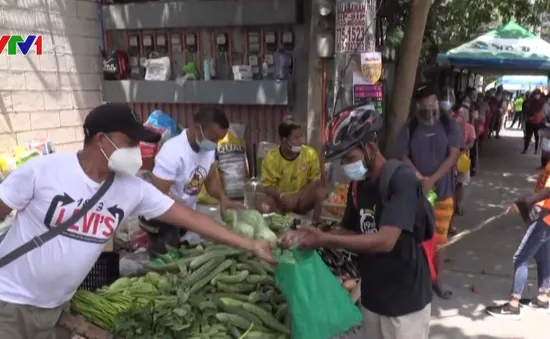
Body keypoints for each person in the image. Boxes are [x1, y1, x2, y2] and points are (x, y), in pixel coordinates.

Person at [0, 103, 275, 339]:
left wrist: (250, 244)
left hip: (56, 309)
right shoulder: (43, 171)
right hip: (9, 303)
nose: (136, 150)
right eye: (130, 142)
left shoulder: (131, 189)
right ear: (101, 139)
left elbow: (192, 218)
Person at [280, 105, 433, 339]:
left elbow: (385, 241)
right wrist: (312, 234)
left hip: (405, 302)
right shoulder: (358, 185)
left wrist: (325, 239)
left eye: (349, 157)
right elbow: (350, 231)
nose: (346, 166)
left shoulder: (401, 181)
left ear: (370, 148)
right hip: (372, 297)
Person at [397, 83, 463, 299]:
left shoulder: (450, 125)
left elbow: (453, 156)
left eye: (433, 104)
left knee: (440, 241)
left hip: (443, 193)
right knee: (417, 239)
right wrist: (418, 177)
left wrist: (432, 179)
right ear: (417, 106)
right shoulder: (409, 128)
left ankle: (438, 281)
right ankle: (418, 280)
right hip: (416, 193)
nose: (430, 109)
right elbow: (403, 156)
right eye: (425, 106)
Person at [149, 107, 243, 252]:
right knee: (169, 254)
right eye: (213, 139)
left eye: (219, 139)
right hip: (164, 217)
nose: (216, 144)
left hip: (187, 216)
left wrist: (222, 198)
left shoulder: (208, 149)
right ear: (198, 128)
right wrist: (188, 218)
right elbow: (159, 196)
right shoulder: (172, 152)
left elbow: (211, 180)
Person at [486, 160, 550, 319]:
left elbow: (548, 191)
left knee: (521, 257)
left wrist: (526, 203)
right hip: (545, 214)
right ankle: (543, 298)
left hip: (546, 217)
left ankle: (513, 305)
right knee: (544, 257)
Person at [259, 117, 326, 221]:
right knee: (265, 205)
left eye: (301, 136)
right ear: (284, 140)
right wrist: (282, 197)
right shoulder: (271, 157)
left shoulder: (310, 153)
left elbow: (315, 181)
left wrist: (296, 196)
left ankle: (316, 227)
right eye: (296, 138)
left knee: (321, 193)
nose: (301, 141)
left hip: (302, 200)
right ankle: (274, 228)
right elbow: (267, 186)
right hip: (281, 201)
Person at [523, 89, 546, 155]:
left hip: (537, 122)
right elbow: (526, 109)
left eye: (538, 94)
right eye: (536, 94)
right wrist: (529, 115)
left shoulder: (542, 102)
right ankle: (525, 149)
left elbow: (543, 111)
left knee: (537, 137)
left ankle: (536, 150)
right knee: (528, 136)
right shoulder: (531, 101)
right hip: (530, 121)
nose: (537, 95)